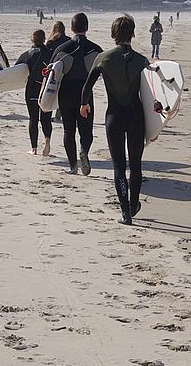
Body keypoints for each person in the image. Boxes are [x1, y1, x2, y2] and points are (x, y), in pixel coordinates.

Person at [81, 15, 150, 224]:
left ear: (114, 34)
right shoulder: (142, 60)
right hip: (137, 117)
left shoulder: (103, 58)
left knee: (119, 166)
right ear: (132, 33)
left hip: (114, 116)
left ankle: (125, 213)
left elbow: (86, 87)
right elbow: (153, 94)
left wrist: (84, 105)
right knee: (136, 164)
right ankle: (134, 204)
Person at [50, 13, 103, 175]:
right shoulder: (96, 49)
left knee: (68, 131)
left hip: (65, 95)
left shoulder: (61, 49)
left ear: (72, 28)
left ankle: (73, 166)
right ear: (87, 28)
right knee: (86, 131)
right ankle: (84, 151)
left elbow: (50, 74)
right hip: (85, 96)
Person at [16, 29, 54, 155]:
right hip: (47, 90)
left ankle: (34, 148)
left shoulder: (28, 54)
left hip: (32, 89)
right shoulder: (51, 54)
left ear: (32, 39)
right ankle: (47, 140)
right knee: (46, 118)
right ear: (44, 39)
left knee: (33, 118)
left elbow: (15, 70)